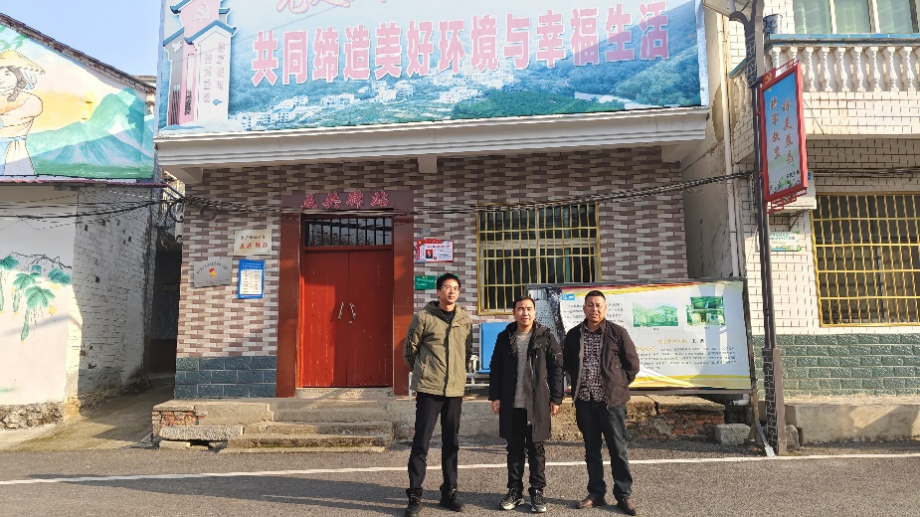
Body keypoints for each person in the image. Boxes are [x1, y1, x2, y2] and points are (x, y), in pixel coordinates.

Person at [563, 290, 640, 516]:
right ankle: (596, 493)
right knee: (592, 450)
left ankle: (623, 495)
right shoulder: (574, 335)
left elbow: (632, 365)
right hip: (585, 401)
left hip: (611, 403)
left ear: (605, 309)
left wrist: (617, 385)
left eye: (598, 305)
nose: (594, 309)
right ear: (584, 308)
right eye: (590, 305)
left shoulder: (617, 333)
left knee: (618, 449)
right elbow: (568, 364)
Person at [403, 273, 473, 516]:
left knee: (451, 443)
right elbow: (409, 351)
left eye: (455, 288)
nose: (451, 291)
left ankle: (449, 492)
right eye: (447, 287)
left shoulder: (464, 319)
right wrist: (424, 372)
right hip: (429, 390)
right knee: (421, 442)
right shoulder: (423, 317)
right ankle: (414, 494)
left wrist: (457, 374)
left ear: (459, 292)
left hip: (454, 390)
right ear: (438, 291)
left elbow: (466, 352)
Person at [489, 295, 564, 513]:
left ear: (534, 312)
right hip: (512, 403)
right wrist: (495, 396)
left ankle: (537, 492)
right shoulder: (505, 337)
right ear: (514, 313)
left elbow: (557, 367)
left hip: (537, 402)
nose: (525, 312)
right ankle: (514, 491)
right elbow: (496, 368)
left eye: (529, 308)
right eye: (521, 309)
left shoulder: (545, 336)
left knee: (536, 448)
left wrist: (556, 398)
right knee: (514, 448)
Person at [0, 50, 44, 177]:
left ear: (20, 76)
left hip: (12, 150)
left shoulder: (31, 100)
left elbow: (10, 118)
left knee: (14, 182)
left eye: (7, 73)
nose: (1, 78)